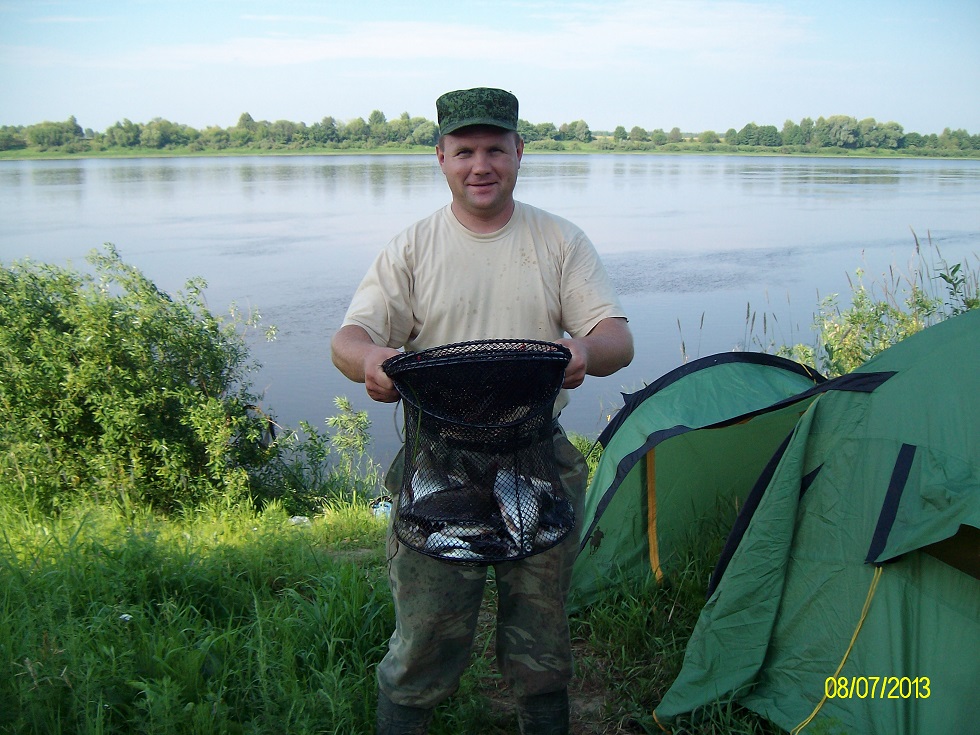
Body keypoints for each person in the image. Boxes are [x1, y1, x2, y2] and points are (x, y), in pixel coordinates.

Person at [331, 87, 633, 734]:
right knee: (424, 640)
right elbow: (347, 338)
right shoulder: (411, 249)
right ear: (440, 157)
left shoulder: (559, 241)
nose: (481, 165)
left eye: (496, 148)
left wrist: (583, 347)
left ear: (520, 152)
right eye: (464, 150)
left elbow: (618, 339)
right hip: (438, 461)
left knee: (542, 645)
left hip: (535, 460)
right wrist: (370, 362)